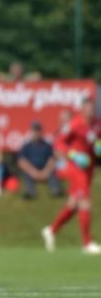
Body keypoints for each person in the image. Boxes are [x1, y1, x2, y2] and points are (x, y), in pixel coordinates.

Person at [41, 98, 101, 254]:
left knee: (74, 204)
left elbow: (97, 140)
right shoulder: (74, 124)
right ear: (82, 109)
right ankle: (87, 243)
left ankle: (51, 230)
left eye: (92, 108)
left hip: (89, 167)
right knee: (85, 200)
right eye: (87, 108)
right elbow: (59, 143)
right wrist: (73, 155)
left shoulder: (96, 123)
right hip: (76, 167)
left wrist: (99, 147)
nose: (90, 110)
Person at [17, 121, 62, 199]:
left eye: (38, 130)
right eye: (34, 130)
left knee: (53, 173)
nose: (36, 133)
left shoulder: (47, 145)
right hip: (31, 170)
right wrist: (33, 172)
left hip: (45, 169)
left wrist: (46, 171)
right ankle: (29, 192)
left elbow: (52, 159)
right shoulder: (26, 146)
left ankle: (56, 190)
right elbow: (21, 161)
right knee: (26, 175)